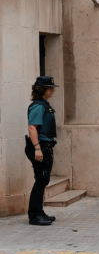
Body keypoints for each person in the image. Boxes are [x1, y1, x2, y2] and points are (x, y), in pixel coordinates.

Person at [25, 76, 59, 226]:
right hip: (41, 147)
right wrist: (37, 148)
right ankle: (34, 215)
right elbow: (32, 127)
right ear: (43, 89)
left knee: (43, 180)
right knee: (40, 180)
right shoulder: (38, 106)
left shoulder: (44, 105)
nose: (52, 90)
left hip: (45, 147)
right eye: (50, 87)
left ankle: (39, 211)